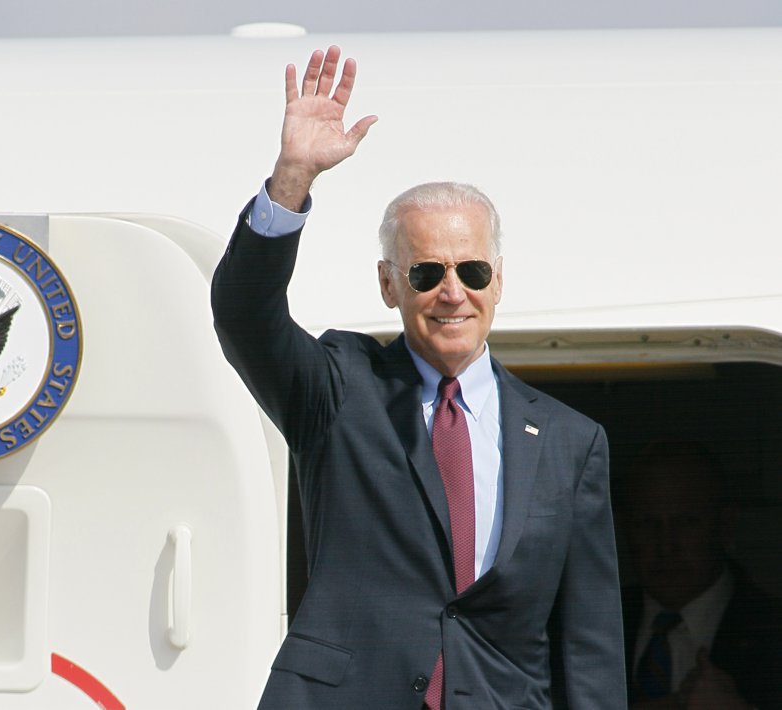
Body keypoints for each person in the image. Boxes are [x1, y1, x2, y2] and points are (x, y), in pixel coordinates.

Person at [211, 46, 626, 709]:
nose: (452, 293)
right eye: (427, 274)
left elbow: (590, 643)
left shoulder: (570, 442)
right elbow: (243, 316)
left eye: (473, 271)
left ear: (498, 281)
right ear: (388, 285)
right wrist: (292, 177)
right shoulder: (339, 389)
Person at [620, 441, 782, 709]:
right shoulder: (589, 625)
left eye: (686, 522)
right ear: (625, 530)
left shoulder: (772, 632)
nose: (666, 545)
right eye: (647, 523)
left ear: (725, 525)